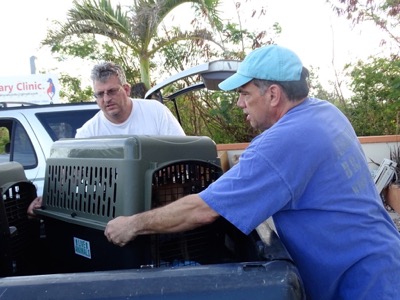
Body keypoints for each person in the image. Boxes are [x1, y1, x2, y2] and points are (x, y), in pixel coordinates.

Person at [104, 45, 400, 299]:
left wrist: (132, 224)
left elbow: (202, 210)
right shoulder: (325, 113)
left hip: (363, 284)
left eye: (245, 93)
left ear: (273, 94)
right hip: (383, 259)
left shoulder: (283, 142)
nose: (239, 102)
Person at [27, 62, 185, 216]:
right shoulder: (87, 133)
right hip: (114, 205)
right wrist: (46, 197)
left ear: (126, 89)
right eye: (100, 94)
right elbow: (69, 177)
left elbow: (182, 153)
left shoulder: (156, 112)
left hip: (161, 197)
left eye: (112, 91)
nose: (106, 99)